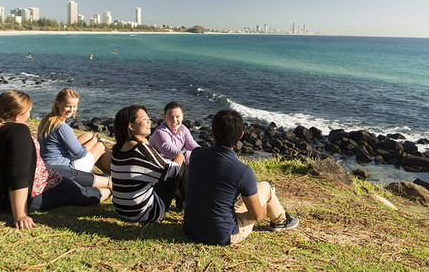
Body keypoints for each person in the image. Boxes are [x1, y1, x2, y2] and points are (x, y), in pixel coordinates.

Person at [0, 90, 110, 229]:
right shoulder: (18, 132)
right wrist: (20, 215)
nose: (30, 115)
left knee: (70, 173)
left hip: (43, 172)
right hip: (36, 190)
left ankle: (112, 181)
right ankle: (112, 189)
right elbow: (17, 177)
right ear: (18, 116)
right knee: (86, 193)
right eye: (29, 111)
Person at [183, 109, 299, 245]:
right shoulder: (242, 171)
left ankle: (281, 218)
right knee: (266, 188)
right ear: (241, 135)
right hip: (221, 235)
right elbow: (258, 216)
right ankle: (281, 220)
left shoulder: (197, 154)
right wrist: (265, 204)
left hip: (191, 228)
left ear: (212, 132)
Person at [111, 105, 185, 222]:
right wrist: (181, 154)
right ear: (131, 126)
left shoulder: (117, 148)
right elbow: (171, 170)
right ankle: (184, 204)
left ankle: (182, 201)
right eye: (144, 119)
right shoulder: (140, 149)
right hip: (147, 213)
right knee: (179, 165)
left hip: (122, 211)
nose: (149, 121)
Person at [38, 88, 112, 181]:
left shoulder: (47, 119)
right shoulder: (61, 127)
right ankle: (118, 172)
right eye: (68, 106)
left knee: (88, 135)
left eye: (74, 106)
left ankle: (110, 172)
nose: (71, 110)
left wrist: (91, 138)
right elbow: (79, 154)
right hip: (66, 170)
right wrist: (95, 140)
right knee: (100, 146)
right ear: (57, 104)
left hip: (50, 165)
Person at [149, 101, 198, 210]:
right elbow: (172, 153)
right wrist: (199, 156)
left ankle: (185, 202)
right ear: (164, 117)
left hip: (174, 170)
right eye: (170, 117)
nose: (175, 121)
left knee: (191, 165)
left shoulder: (183, 129)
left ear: (182, 116)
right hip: (159, 174)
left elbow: (194, 146)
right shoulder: (160, 133)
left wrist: (206, 154)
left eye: (177, 116)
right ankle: (185, 201)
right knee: (183, 163)